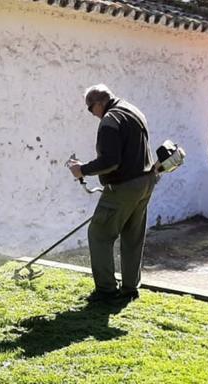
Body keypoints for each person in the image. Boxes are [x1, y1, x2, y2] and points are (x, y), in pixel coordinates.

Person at [67, 84, 159, 302]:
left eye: (90, 109)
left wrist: (82, 170)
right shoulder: (133, 111)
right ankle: (130, 289)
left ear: (99, 103)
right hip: (146, 181)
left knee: (99, 234)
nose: (92, 114)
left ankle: (106, 291)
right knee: (132, 237)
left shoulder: (110, 119)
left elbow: (111, 161)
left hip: (123, 187)